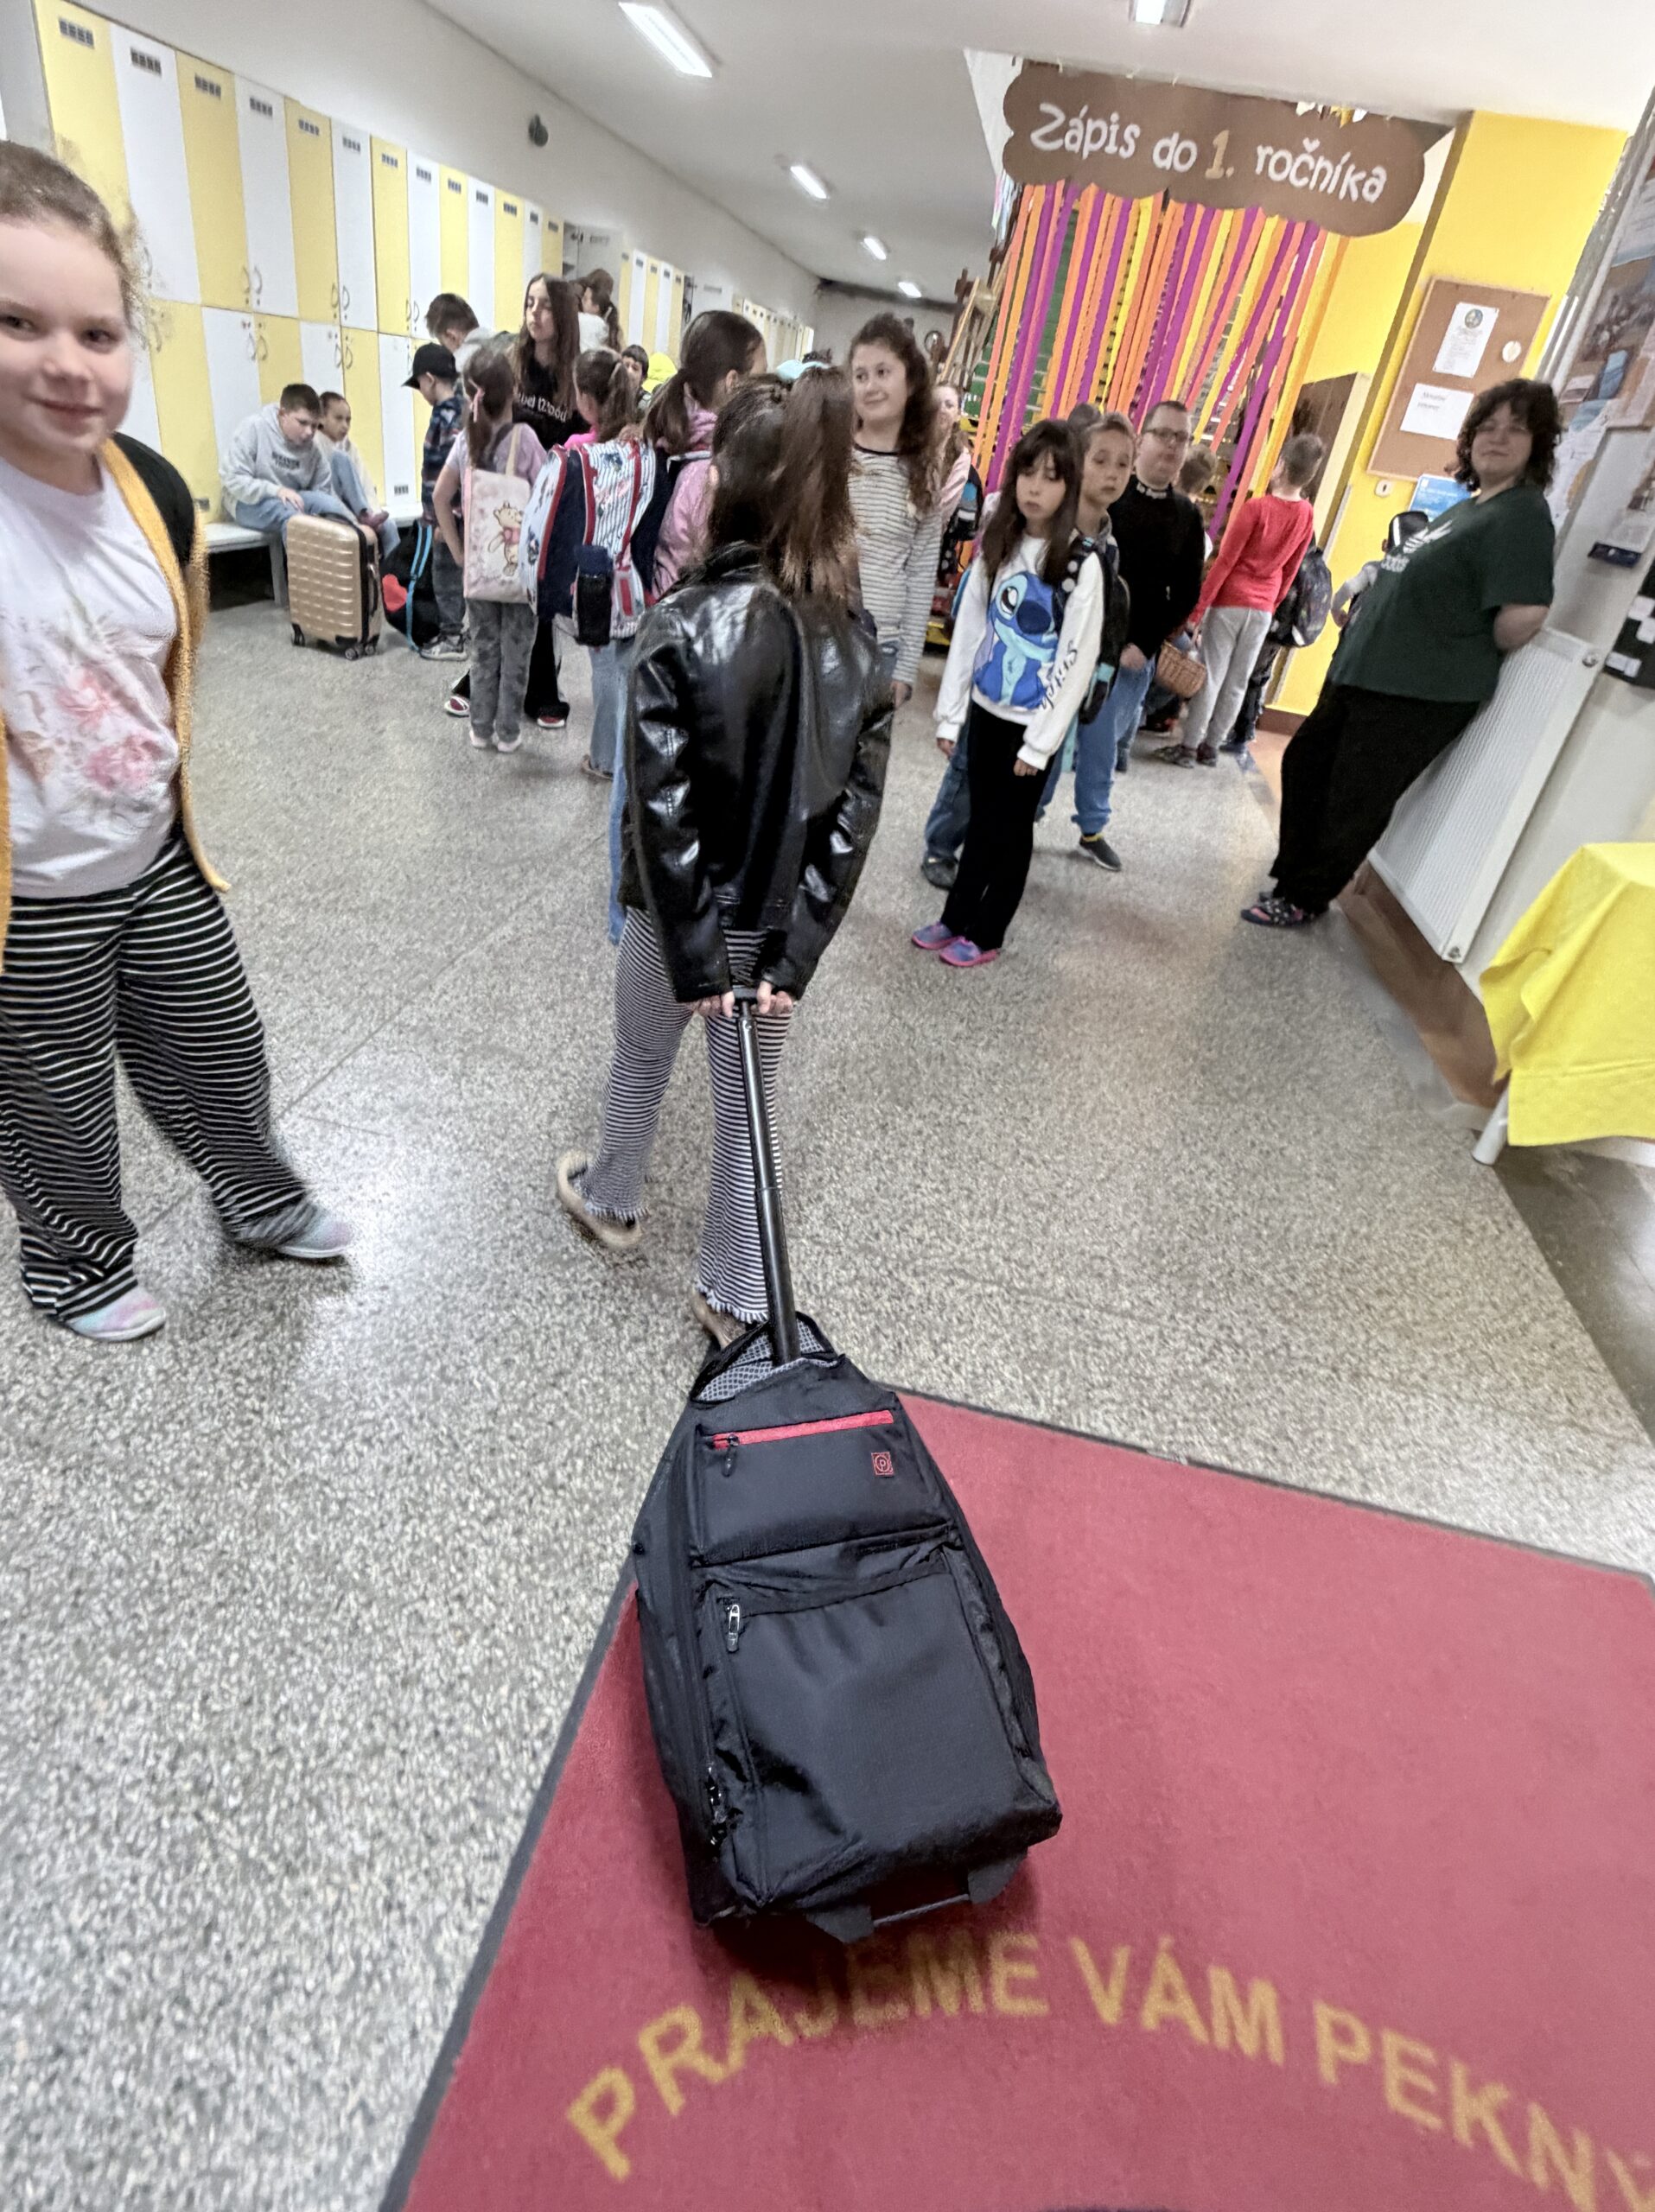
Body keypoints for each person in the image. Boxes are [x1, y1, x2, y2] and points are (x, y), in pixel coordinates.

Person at [0, 143, 351, 1343]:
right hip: (27, 893)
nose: (67, 361)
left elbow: (164, 665)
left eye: (98, 332)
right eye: (18, 322)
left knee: (219, 1046)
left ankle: (259, 1199)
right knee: (53, 1101)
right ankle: (75, 1267)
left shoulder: (150, 489)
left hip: (155, 856)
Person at [555, 371, 890, 1345]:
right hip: (775, 931)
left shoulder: (680, 623)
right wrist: (790, 958)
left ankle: (613, 1198)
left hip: (675, 917)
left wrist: (698, 952)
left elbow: (661, 808)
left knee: (639, 1054)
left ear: (723, 486)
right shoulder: (857, 639)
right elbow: (853, 819)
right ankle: (736, 1296)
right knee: (749, 1112)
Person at [1244, 379, 1558, 931]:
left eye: (1516, 429)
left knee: (1353, 797)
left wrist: (1447, 637)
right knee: (1307, 764)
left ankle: (1304, 896)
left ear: (1539, 443)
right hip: (1369, 672)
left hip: (1418, 688)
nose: (1498, 438)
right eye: (1488, 427)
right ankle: (1292, 877)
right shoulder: (1470, 509)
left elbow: (1522, 615)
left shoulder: (1522, 515)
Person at [911, 419, 1103, 970]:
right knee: (979, 821)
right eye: (1027, 472)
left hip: (1032, 726)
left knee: (1010, 832)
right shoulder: (1000, 541)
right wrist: (951, 715)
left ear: (1069, 486)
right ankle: (956, 918)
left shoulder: (1080, 564)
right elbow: (970, 630)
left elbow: (1076, 660)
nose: (1035, 487)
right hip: (986, 711)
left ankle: (988, 931)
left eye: (1051, 477)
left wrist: (1040, 743)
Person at [1071, 396, 1206, 819]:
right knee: (1051, 745)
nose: (1172, 445)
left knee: (1101, 749)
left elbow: (1186, 593)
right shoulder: (1109, 493)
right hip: (1075, 640)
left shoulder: (1186, 516)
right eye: (1163, 434)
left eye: (1181, 438)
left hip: (1130, 655)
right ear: (1141, 439)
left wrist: (1144, 646)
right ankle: (1028, 814)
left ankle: (1093, 823)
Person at [1154, 431, 1322, 769]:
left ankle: (1188, 747)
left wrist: (1198, 610)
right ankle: (1212, 747)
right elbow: (1291, 568)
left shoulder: (1256, 509)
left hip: (1231, 601)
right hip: (1263, 608)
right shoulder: (1306, 515)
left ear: (1281, 465)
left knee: (1211, 675)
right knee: (1238, 681)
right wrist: (1272, 602)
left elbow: (1225, 562)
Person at [430, 351, 545, 753]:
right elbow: (546, 500)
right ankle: (508, 733)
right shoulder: (527, 440)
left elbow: (440, 497)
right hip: (518, 572)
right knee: (516, 652)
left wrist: (459, 554)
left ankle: (480, 729)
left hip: (478, 569)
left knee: (483, 650)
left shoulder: (465, 442)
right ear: (514, 391)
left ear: (469, 395)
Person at [848, 313, 945, 706]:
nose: (870, 386)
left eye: (883, 372)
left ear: (912, 380)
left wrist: (906, 668)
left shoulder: (924, 472)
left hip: (883, 647)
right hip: (825, 635)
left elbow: (921, 574)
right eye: (860, 376)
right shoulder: (834, 455)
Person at [648, 309, 767, 595]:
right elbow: (719, 575)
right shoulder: (709, 472)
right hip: (687, 612)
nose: (766, 390)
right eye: (761, 378)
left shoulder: (676, 436)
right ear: (733, 382)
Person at [514, 273, 584, 728]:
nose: (534, 314)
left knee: (539, 596)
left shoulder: (574, 378)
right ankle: (485, 676)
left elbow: (584, 440)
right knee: (500, 593)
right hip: (507, 495)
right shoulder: (513, 364)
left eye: (544, 305)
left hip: (551, 502)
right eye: (529, 303)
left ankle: (541, 689)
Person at [220, 381, 377, 557]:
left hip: (294, 499)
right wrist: (276, 491)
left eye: (314, 425)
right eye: (302, 423)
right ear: (282, 414)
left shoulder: (314, 450)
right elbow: (233, 478)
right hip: (247, 501)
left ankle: (355, 563)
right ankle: (306, 574)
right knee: (294, 518)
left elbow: (322, 493)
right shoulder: (254, 428)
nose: (309, 432)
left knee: (330, 506)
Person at [405, 341, 466, 662]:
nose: (421, 392)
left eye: (419, 385)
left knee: (446, 575)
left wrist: (445, 517)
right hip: (451, 514)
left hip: (449, 515)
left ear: (429, 379)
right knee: (456, 571)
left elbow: (452, 472)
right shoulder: (458, 410)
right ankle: (458, 630)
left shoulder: (449, 416)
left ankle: (452, 637)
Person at [315, 389, 397, 561]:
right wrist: (354, 521)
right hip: (335, 516)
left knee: (389, 526)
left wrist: (374, 513)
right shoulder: (315, 446)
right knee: (340, 458)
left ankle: (395, 574)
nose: (345, 425)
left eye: (348, 420)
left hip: (359, 516)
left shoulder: (349, 447)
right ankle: (364, 517)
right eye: (338, 418)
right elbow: (328, 495)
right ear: (321, 418)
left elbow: (365, 485)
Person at [426, 292, 484, 379]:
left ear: (452, 336)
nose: (446, 351)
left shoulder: (461, 365)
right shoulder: (500, 339)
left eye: (443, 345)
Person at [579, 270, 623, 353]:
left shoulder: (585, 321)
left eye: (585, 299)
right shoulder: (609, 326)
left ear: (596, 307)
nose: (581, 301)